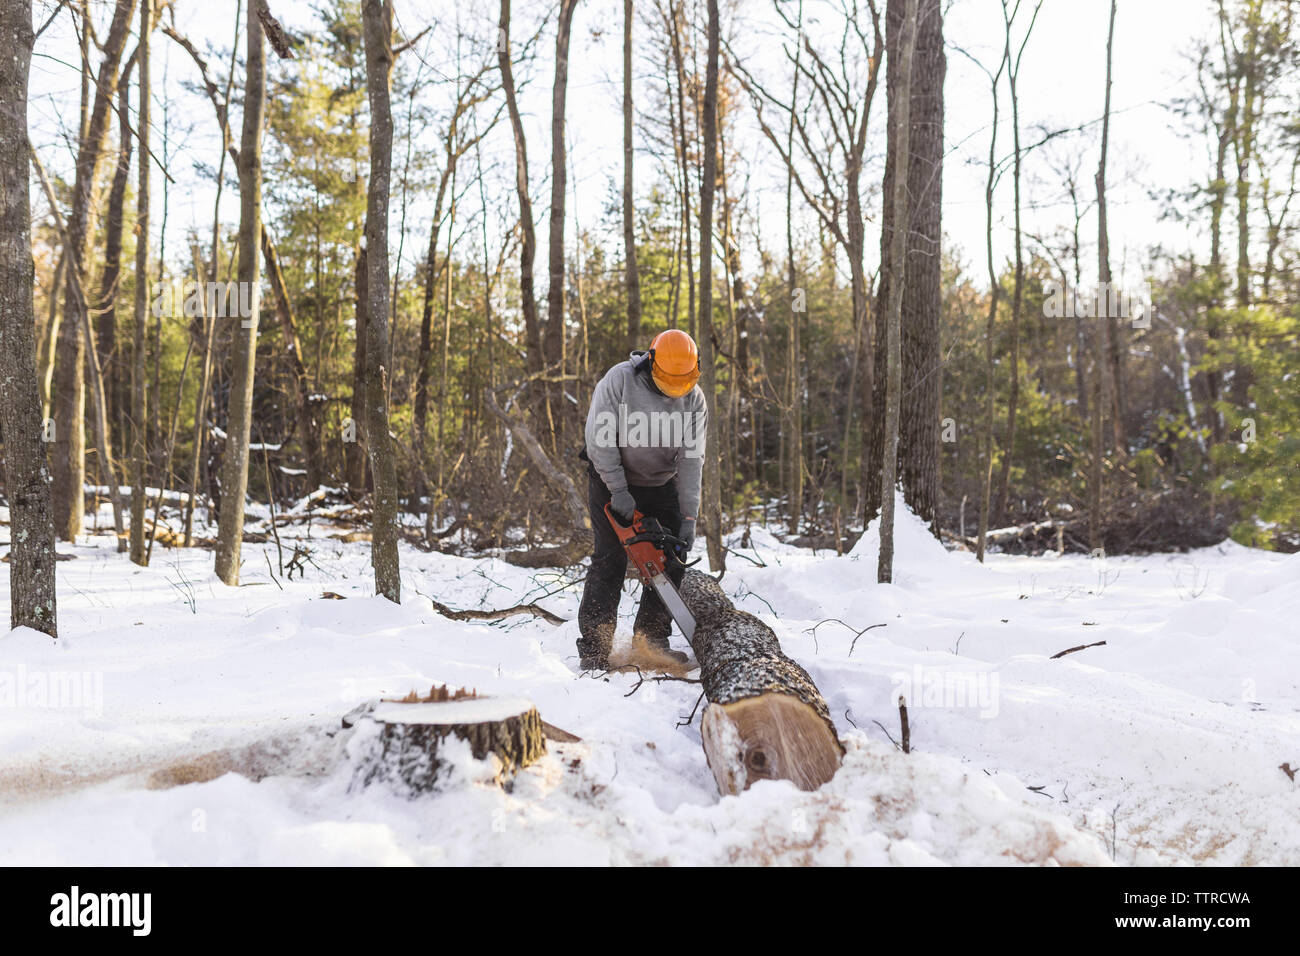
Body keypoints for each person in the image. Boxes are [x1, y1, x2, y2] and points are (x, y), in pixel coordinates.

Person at [577, 329, 707, 670]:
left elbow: (692, 460)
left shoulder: (694, 399)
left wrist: (689, 517)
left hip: (662, 483)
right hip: (610, 479)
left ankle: (651, 639)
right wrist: (619, 492)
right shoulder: (619, 381)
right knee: (609, 561)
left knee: (672, 557)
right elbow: (599, 442)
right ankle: (595, 646)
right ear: (651, 363)